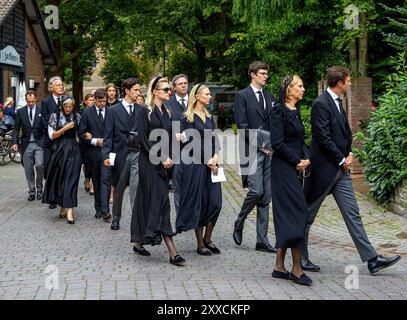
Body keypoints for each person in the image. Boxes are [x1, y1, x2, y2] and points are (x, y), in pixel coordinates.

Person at [302, 66, 401, 274]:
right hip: (323, 172)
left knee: (353, 214)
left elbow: (343, 134)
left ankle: (372, 259)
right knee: (307, 215)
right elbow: (322, 137)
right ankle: (299, 258)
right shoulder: (320, 104)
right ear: (339, 82)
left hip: (340, 172)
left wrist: (349, 155)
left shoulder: (338, 102)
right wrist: (341, 158)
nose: (349, 83)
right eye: (348, 81)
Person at [130, 76, 185, 266]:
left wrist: (173, 148)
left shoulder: (167, 111)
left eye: (170, 89)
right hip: (149, 163)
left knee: (149, 201)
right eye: (165, 89)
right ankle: (172, 251)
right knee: (160, 202)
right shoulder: (144, 111)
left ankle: (138, 240)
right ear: (155, 91)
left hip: (164, 165)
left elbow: (167, 138)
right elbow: (144, 140)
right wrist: (162, 157)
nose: (169, 92)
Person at [269, 75, 312, 286]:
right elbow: (277, 142)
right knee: (298, 212)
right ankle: (296, 269)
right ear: (289, 90)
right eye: (300, 86)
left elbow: (300, 140)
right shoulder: (279, 110)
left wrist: (306, 157)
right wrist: (297, 161)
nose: (303, 89)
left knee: (289, 214)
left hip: (294, 166)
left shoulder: (295, 111)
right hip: (282, 168)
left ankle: (279, 266)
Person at [232, 61, 276, 253]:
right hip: (251, 150)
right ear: (252, 74)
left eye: (266, 73)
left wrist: (272, 145)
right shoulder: (242, 96)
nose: (265, 76)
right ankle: (240, 220)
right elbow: (242, 127)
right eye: (262, 73)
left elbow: (273, 122)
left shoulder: (269, 95)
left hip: (269, 151)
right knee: (255, 191)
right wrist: (261, 146)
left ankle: (262, 240)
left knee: (266, 197)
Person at [175, 83, 222, 256]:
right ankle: (200, 242)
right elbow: (190, 143)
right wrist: (207, 160)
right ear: (197, 96)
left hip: (212, 165)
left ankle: (209, 238)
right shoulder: (187, 118)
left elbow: (216, 140)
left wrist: (215, 157)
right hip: (195, 166)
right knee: (199, 204)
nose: (210, 97)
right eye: (207, 94)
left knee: (216, 203)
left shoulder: (210, 118)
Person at [102, 77, 142, 230]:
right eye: (135, 90)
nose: (138, 93)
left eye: (139, 90)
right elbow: (108, 135)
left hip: (137, 155)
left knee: (136, 188)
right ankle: (116, 218)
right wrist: (106, 156)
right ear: (127, 91)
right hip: (120, 155)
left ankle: (137, 218)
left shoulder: (141, 110)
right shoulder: (112, 111)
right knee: (118, 189)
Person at [42, 96, 81, 224]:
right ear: (62, 106)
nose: (69, 109)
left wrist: (87, 134)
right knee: (61, 179)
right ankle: (63, 206)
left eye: (71, 106)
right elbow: (52, 135)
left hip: (74, 150)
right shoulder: (55, 116)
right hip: (59, 149)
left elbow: (81, 133)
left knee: (72, 178)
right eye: (66, 106)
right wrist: (65, 128)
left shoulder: (77, 116)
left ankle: (70, 210)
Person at [79, 89, 112, 222]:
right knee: (97, 181)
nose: (102, 104)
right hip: (93, 152)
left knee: (106, 180)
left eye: (104, 101)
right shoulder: (87, 112)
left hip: (108, 151)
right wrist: (93, 140)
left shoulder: (111, 112)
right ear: (95, 100)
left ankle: (105, 210)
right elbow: (81, 133)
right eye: (100, 101)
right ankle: (98, 208)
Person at [12, 91, 45, 201]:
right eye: (28, 101)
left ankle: (40, 189)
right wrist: (15, 143)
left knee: (40, 165)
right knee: (28, 169)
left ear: (36, 99)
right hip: (26, 144)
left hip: (39, 143)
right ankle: (32, 191)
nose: (30, 103)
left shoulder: (42, 111)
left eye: (32, 101)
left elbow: (46, 127)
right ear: (26, 100)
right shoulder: (20, 112)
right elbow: (16, 128)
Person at [41, 76, 65, 209]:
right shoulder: (46, 102)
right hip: (50, 142)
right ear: (51, 88)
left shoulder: (67, 100)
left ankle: (60, 196)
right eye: (58, 85)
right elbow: (44, 121)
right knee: (49, 169)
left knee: (62, 169)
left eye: (61, 85)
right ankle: (51, 197)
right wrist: (54, 132)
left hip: (64, 142)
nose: (61, 87)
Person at [166, 74, 190, 213]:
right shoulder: (168, 104)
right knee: (178, 185)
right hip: (176, 150)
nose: (183, 85)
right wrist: (172, 133)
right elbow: (164, 124)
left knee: (192, 184)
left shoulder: (194, 102)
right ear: (174, 87)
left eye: (185, 83)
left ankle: (191, 213)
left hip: (194, 150)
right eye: (180, 83)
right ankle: (181, 215)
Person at [80, 93, 95, 194]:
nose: (92, 102)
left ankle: (93, 185)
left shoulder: (96, 112)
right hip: (84, 141)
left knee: (94, 163)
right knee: (86, 163)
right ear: (85, 101)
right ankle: (86, 179)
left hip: (94, 140)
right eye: (90, 100)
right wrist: (85, 134)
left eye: (93, 100)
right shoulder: (81, 113)